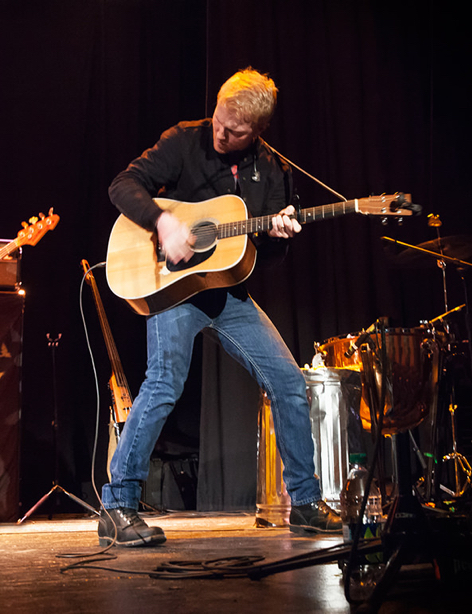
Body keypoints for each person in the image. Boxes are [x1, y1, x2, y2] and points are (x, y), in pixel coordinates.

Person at [100, 68, 341, 546]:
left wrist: (277, 239)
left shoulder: (272, 173)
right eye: (218, 119)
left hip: (226, 294)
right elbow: (122, 185)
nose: (221, 132)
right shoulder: (183, 141)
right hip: (173, 289)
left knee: (289, 382)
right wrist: (163, 221)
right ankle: (118, 506)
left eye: (234, 131)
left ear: (257, 132)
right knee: (164, 383)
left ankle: (307, 503)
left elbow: (258, 261)